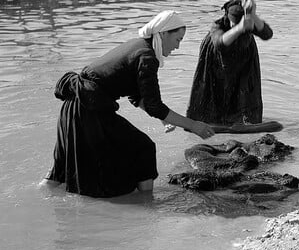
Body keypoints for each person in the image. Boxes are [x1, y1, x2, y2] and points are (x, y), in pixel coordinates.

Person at [44, 11, 215, 198]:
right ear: (164, 33)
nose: (178, 46)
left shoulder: (139, 46)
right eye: (177, 39)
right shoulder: (147, 56)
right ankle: (147, 203)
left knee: (60, 169)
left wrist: (163, 120)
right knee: (143, 148)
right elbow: (154, 105)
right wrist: (194, 125)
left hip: (73, 107)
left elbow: (137, 97)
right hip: (88, 109)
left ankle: (39, 201)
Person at [187, 0, 273, 125]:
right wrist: (240, 28)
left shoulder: (248, 20)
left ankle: (241, 121)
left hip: (243, 62)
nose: (237, 26)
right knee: (216, 95)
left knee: (243, 95)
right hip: (217, 63)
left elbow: (267, 34)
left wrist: (253, 16)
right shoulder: (218, 25)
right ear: (227, 17)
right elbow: (219, 44)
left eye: (239, 23)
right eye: (234, 24)